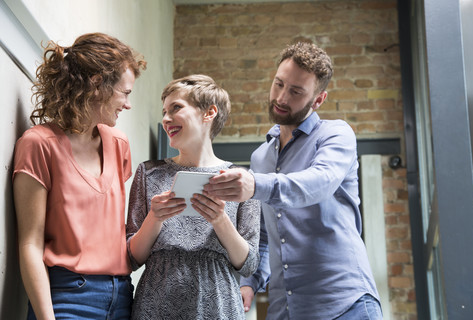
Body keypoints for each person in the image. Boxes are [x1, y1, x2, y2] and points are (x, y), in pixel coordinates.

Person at [204, 42, 382, 319]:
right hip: (285, 309)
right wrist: (249, 283)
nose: (281, 98)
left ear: (318, 99)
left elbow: (319, 183)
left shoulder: (335, 135)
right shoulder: (261, 157)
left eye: (296, 91)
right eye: (278, 84)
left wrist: (256, 185)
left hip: (346, 304)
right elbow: (265, 235)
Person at [12, 32, 146, 319]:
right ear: (98, 84)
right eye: (125, 93)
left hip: (122, 296)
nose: (128, 104)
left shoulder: (118, 143)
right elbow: (30, 244)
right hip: (66, 298)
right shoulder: (39, 144)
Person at [126, 74, 261, 319]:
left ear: (209, 113)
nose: (166, 119)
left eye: (176, 108)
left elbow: (250, 264)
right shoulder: (148, 173)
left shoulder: (240, 180)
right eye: (164, 111)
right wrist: (154, 219)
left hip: (219, 306)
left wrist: (220, 220)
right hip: (156, 303)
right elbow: (131, 259)